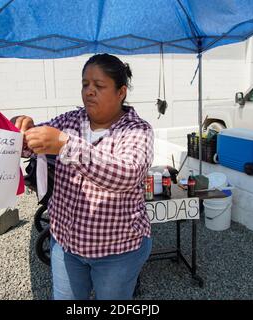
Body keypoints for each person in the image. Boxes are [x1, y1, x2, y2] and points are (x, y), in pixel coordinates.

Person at [14, 53, 154, 300]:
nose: (89, 91)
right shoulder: (70, 120)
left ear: (121, 92)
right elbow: (30, 145)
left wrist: (65, 146)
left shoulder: (137, 129)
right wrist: (21, 128)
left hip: (118, 251)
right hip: (66, 244)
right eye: (85, 84)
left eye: (99, 86)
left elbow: (127, 173)